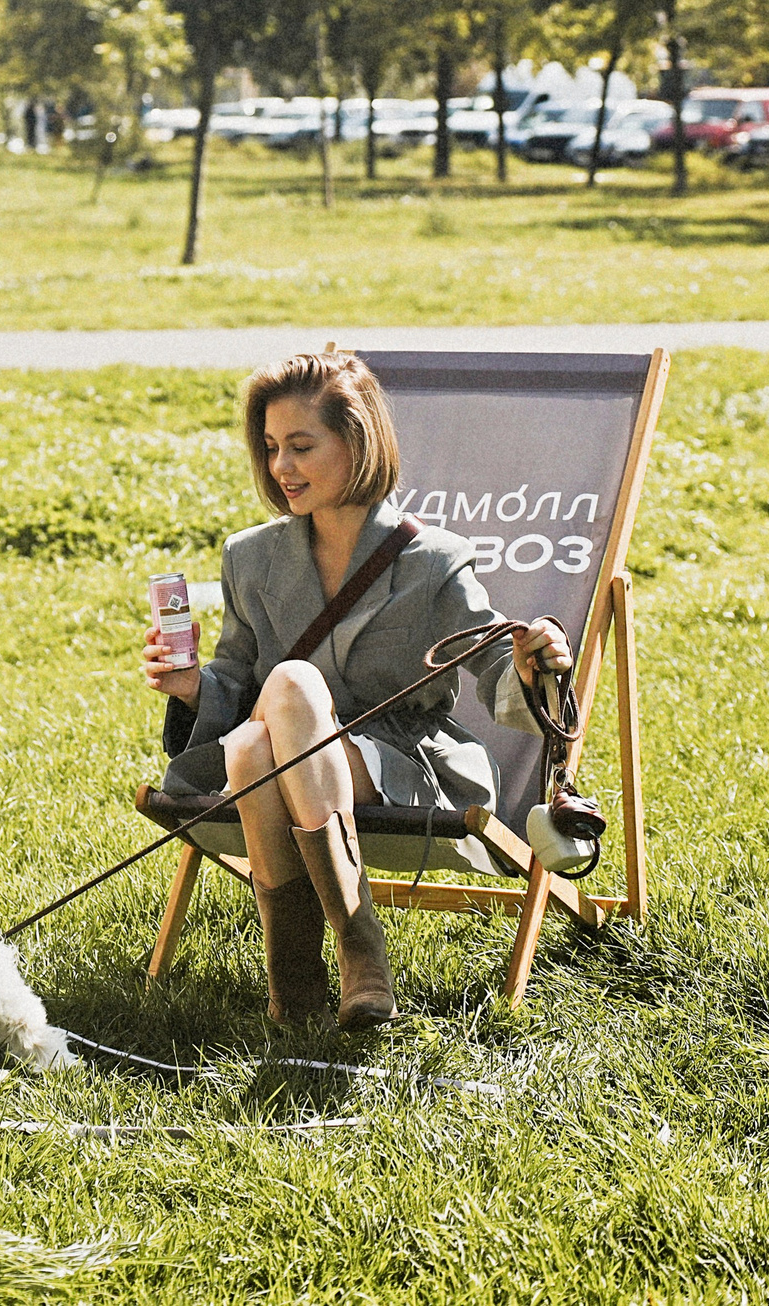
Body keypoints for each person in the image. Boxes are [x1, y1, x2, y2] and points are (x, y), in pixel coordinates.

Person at [146, 352, 569, 1029]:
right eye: (272, 447)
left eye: (302, 446)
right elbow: (238, 677)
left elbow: (498, 678)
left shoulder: (435, 561)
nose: (281, 466)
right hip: (279, 762)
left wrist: (533, 663)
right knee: (256, 743)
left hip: (403, 766)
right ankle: (315, 970)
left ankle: (343, 950)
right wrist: (195, 686)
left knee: (283, 696)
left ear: (357, 442)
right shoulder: (250, 557)